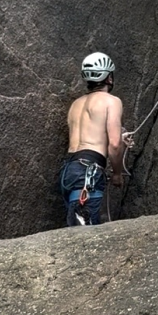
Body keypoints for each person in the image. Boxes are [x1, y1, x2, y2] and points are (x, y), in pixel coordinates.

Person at [59, 51, 125, 226]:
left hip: (69, 172)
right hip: (88, 173)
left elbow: (89, 136)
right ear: (109, 78)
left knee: (77, 227)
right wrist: (117, 174)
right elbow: (115, 144)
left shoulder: (76, 104)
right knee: (85, 235)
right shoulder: (111, 101)